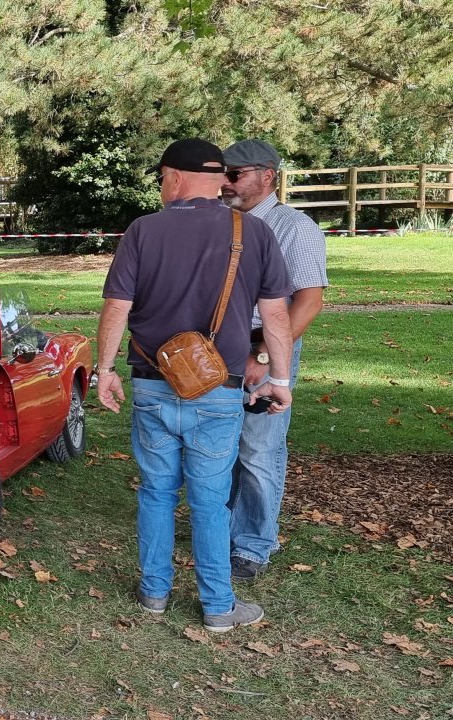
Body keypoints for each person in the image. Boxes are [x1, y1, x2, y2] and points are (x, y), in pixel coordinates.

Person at [94, 138, 295, 633]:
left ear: (176, 178)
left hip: (152, 384)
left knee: (156, 492)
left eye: (163, 178)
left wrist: (105, 370)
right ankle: (218, 606)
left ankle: (154, 592)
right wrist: (279, 378)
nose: (162, 187)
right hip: (218, 391)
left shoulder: (143, 231)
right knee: (209, 500)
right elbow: (275, 315)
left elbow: (117, 306)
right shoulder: (254, 232)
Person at [219, 139, 330, 581]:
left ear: (268, 176)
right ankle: (226, 529)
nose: (225, 183)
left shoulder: (295, 228)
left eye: (235, 174)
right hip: (218, 349)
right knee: (220, 442)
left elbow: (309, 302)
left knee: (259, 448)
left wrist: (265, 355)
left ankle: (252, 544)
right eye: (222, 174)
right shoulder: (221, 222)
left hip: (264, 346)